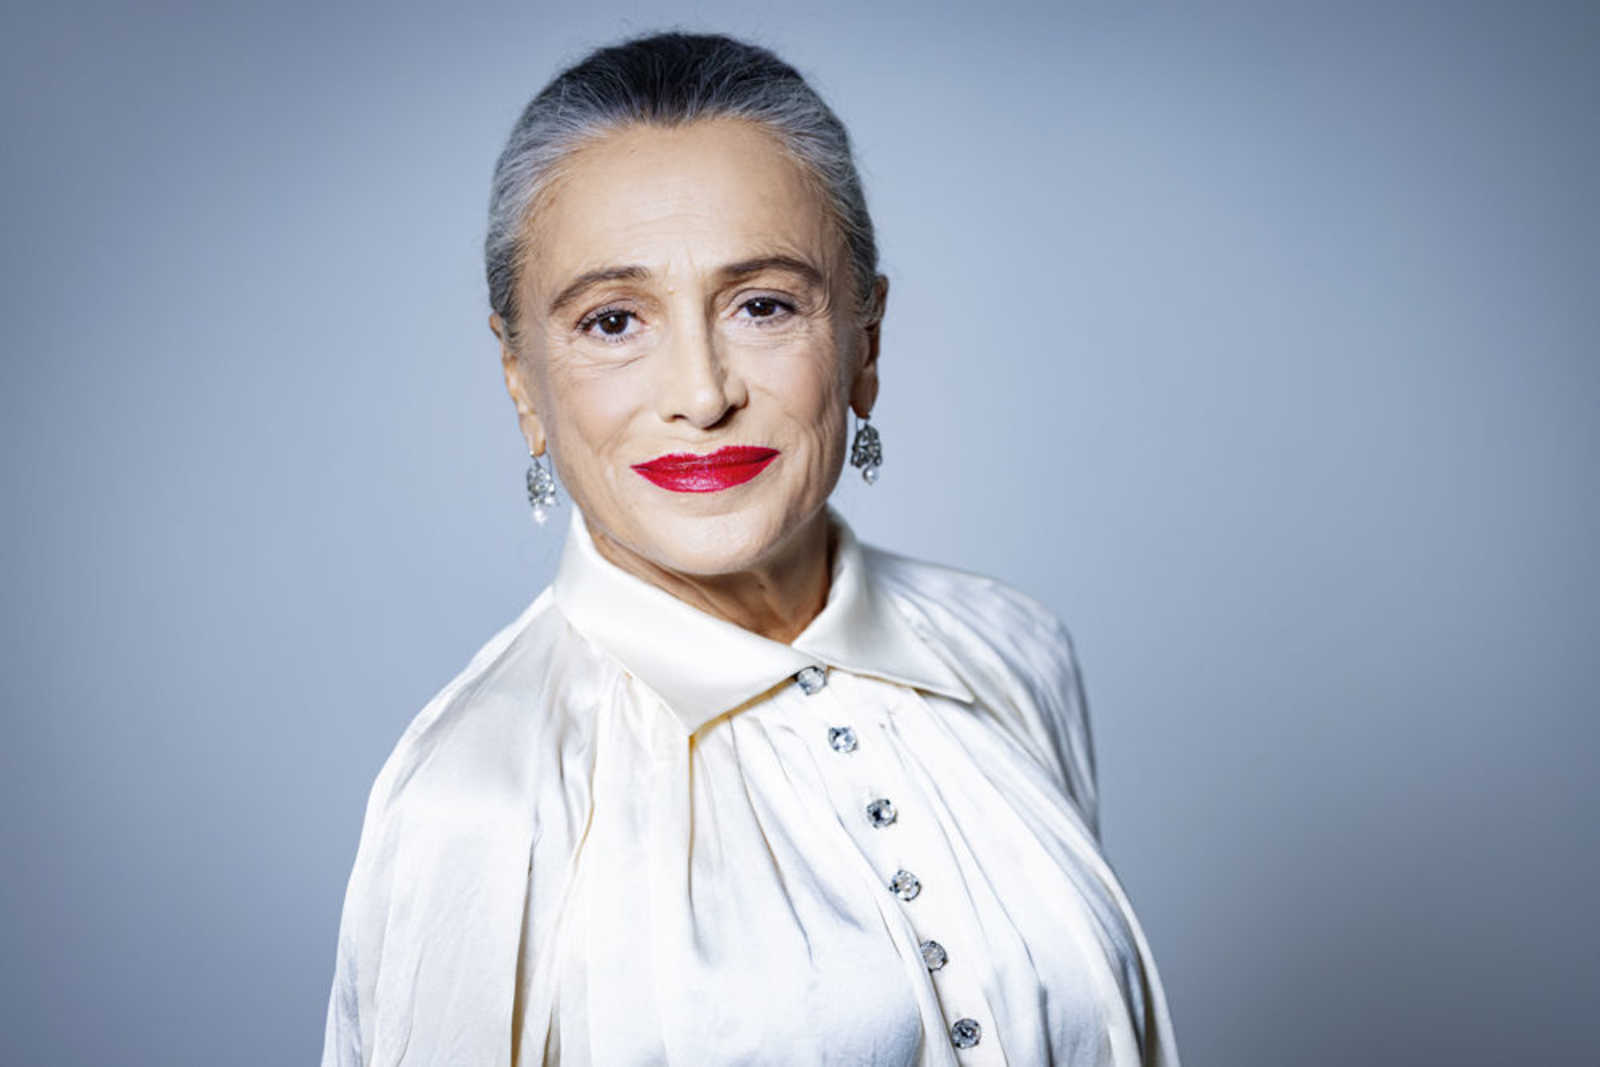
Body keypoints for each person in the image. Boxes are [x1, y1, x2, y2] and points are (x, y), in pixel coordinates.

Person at [321, 31, 1180, 1067]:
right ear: (521, 380)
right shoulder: (476, 797)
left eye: (763, 305)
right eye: (612, 321)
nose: (701, 392)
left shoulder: (1012, 649)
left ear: (863, 340)